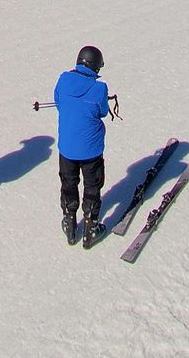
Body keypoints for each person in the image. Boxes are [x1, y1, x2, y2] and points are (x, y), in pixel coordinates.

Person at [55, 45, 111, 247]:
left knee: (68, 184)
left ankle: (70, 223)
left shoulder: (63, 80)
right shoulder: (99, 89)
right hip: (91, 151)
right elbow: (103, 111)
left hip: (67, 149)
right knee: (92, 186)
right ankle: (91, 226)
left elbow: (59, 102)